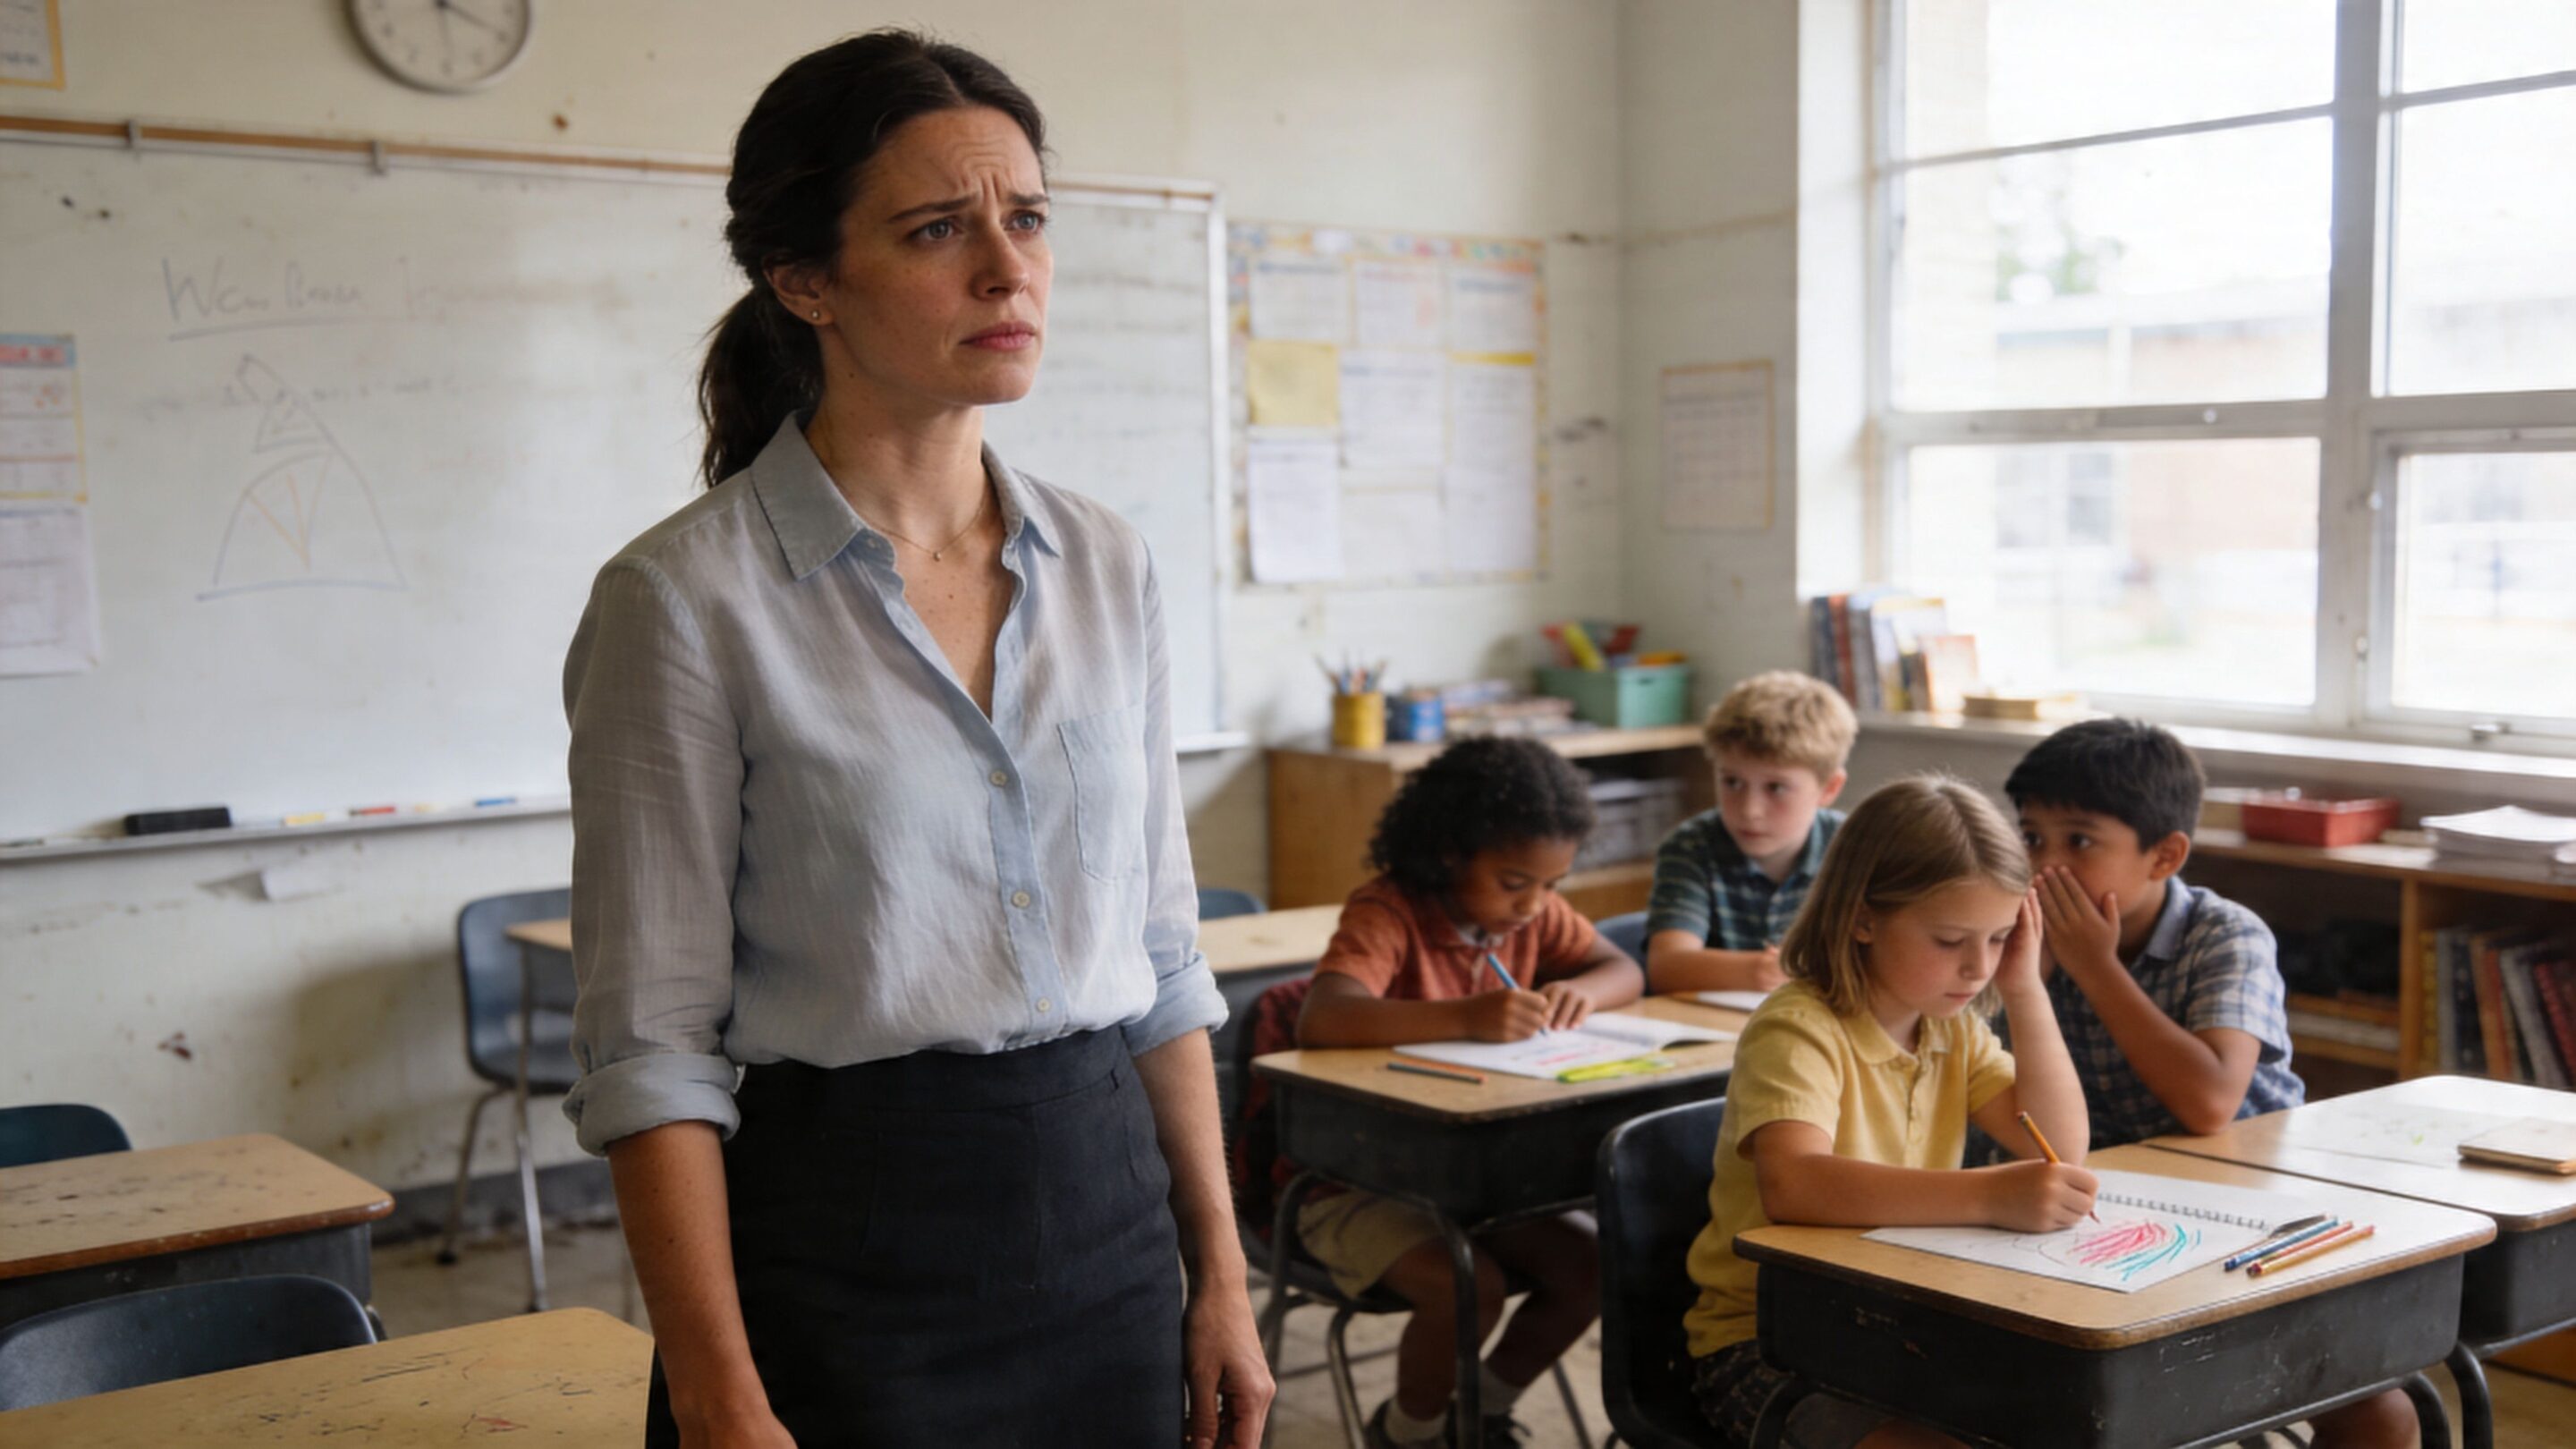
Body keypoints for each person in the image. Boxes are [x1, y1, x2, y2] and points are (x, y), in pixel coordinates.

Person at [560, 30, 1269, 1449]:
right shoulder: (685, 599)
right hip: (845, 1259)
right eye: (940, 229)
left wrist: (1224, 1282)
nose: (1008, 269)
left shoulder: (1108, 564)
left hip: (1108, 1224)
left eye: (1028, 217)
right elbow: (651, 1048)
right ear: (805, 279)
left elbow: (1163, 956)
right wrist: (716, 1396)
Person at [2006, 720, 2413, 1447]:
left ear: (2165, 855)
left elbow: (2209, 1103)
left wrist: (2095, 968)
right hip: (2106, 1225)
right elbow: (1992, 1104)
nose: (2047, 866)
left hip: (2253, 1216)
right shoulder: (2019, 939)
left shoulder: (2225, 935)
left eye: (2079, 841)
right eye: (2032, 838)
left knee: (2378, 1414)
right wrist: (2023, 985)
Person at [1682, 775, 2093, 1449]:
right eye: (1950, 940)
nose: (1976, 968)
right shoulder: (1799, 1027)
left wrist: (2023, 986)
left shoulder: (1948, 1029)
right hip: (1773, 1347)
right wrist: (1989, 1194)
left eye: (1997, 939)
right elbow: (1795, 1185)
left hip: (1906, 1328)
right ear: (1863, 917)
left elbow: (2060, 1143)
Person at [1294, 737, 1643, 1447]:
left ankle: (1479, 1409)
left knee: (1594, 1267)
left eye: (1552, 886)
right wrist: (1464, 1016)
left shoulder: (1531, 914)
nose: (1534, 905)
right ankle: (1408, 1433)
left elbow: (1620, 967)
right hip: (1358, 1180)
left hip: (1475, 1181)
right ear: (1451, 852)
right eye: (1515, 883)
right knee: (1464, 1287)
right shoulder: (1390, 911)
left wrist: (1581, 990)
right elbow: (1323, 1015)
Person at [1644, 671, 1854, 996]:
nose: (1749, 809)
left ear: (1829, 788)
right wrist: (1765, 970)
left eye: (1776, 788)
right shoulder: (1691, 847)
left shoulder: (1856, 849)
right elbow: (1667, 967)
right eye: (1732, 782)